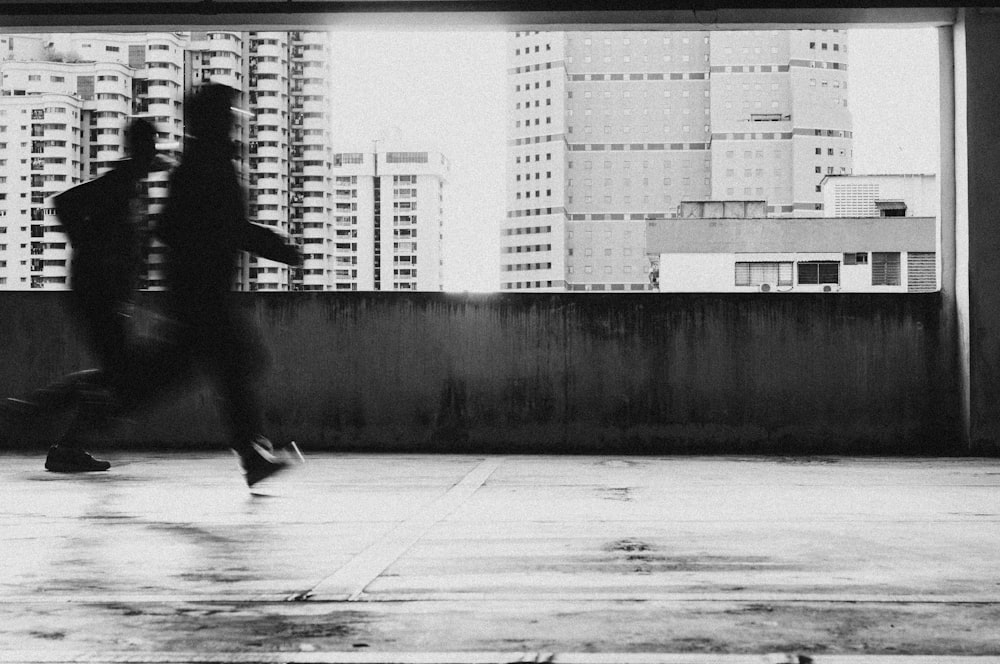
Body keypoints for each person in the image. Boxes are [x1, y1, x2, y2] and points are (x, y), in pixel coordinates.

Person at [155, 83, 302, 487]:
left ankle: (252, 457)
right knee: (231, 365)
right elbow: (225, 227)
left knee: (214, 369)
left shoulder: (201, 164)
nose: (235, 122)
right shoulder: (206, 167)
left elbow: (180, 227)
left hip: (198, 292)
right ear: (213, 120)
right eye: (228, 115)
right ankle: (90, 405)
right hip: (202, 295)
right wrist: (275, 247)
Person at [0, 118, 165, 472]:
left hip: (106, 295)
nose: (154, 151)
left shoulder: (132, 185)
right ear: (139, 147)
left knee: (114, 375)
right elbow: (63, 202)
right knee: (119, 376)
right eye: (150, 143)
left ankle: (28, 415)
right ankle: (46, 429)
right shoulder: (117, 183)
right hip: (95, 294)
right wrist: (88, 246)